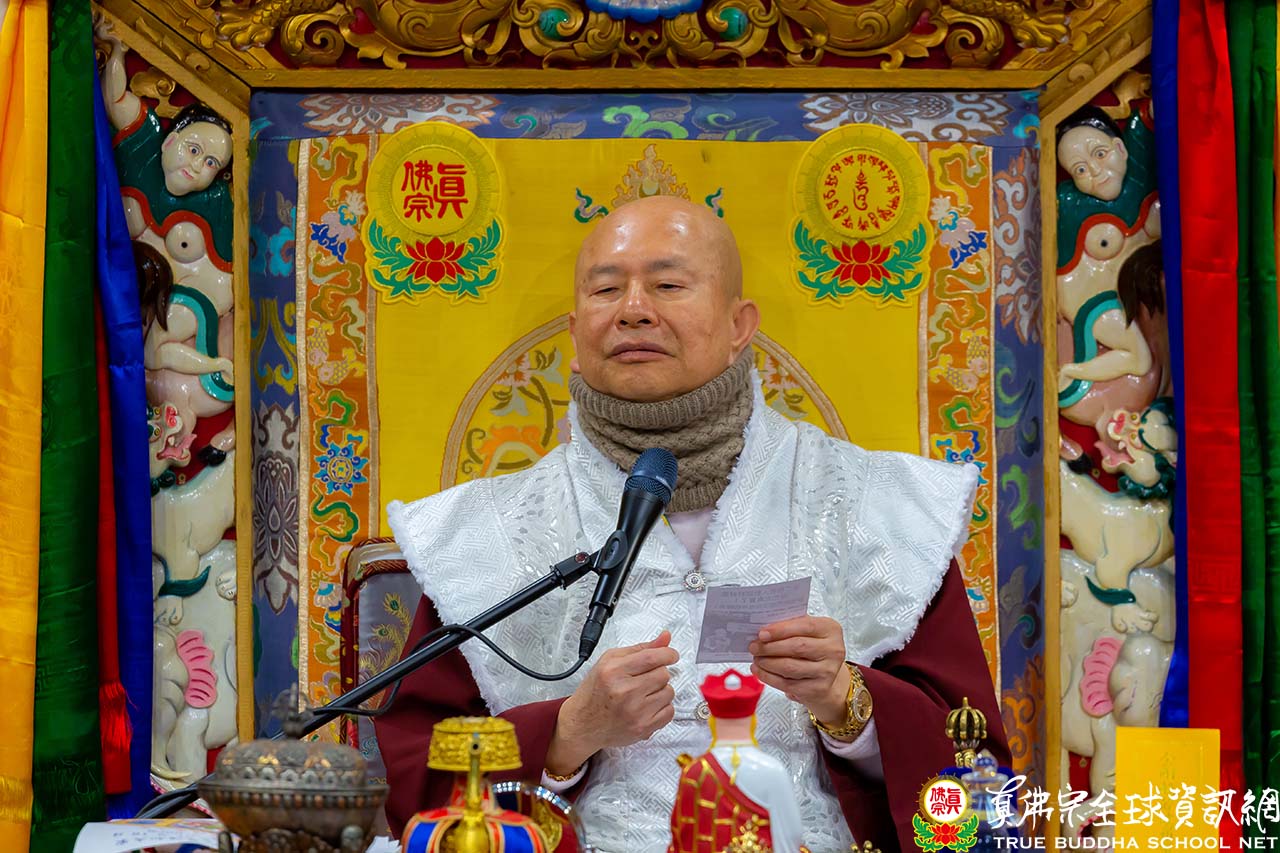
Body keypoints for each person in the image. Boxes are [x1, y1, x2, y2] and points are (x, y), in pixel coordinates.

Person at [375, 195, 1009, 853]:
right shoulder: (486, 533)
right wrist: (568, 733)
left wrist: (848, 703)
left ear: (740, 325)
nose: (633, 309)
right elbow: (418, 779)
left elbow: (975, 775)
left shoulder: (877, 506)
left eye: (668, 285)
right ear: (575, 330)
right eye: (606, 289)